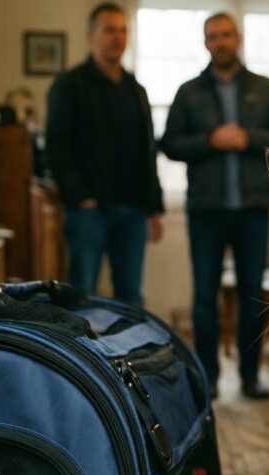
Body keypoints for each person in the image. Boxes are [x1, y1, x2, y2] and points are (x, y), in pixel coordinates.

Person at [161, 13, 269, 400]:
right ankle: (209, 379)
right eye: (212, 37)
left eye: (225, 35)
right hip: (205, 210)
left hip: (253, 208)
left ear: (237, 39)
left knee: (251, 292)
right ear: (206, 44)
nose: (219, 42)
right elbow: (169, 144)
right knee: (205, 296)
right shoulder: (189, 92)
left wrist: (248, 138)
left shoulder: (265, 88)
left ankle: (251, 377)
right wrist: (210, 140)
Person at [46, 2, 163, 305]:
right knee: (81, 292)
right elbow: (57, 146)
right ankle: (79, 353)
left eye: (123, 31)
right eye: (109, 30)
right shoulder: (70, 85)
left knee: (131, 297)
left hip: (134, 211)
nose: (117, 37)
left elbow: (148, 150)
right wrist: (79, 197)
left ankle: (128, 354)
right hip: (89, 211)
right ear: (91, 36)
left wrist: (154, 207)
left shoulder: (136, 90)